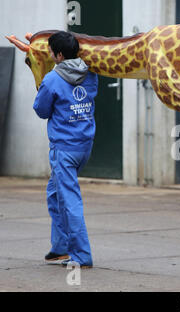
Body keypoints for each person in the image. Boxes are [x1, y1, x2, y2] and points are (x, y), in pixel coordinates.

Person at [33, 31, 98, 268]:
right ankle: (60, 248)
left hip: (64, 149)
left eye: (51, 51)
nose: (49, 55)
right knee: (54, 193)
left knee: (70, 201)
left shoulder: (52, 79)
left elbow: (41, 110)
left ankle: (81, 255)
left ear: (59, 55)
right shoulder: (90, 74)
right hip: (84, 146)